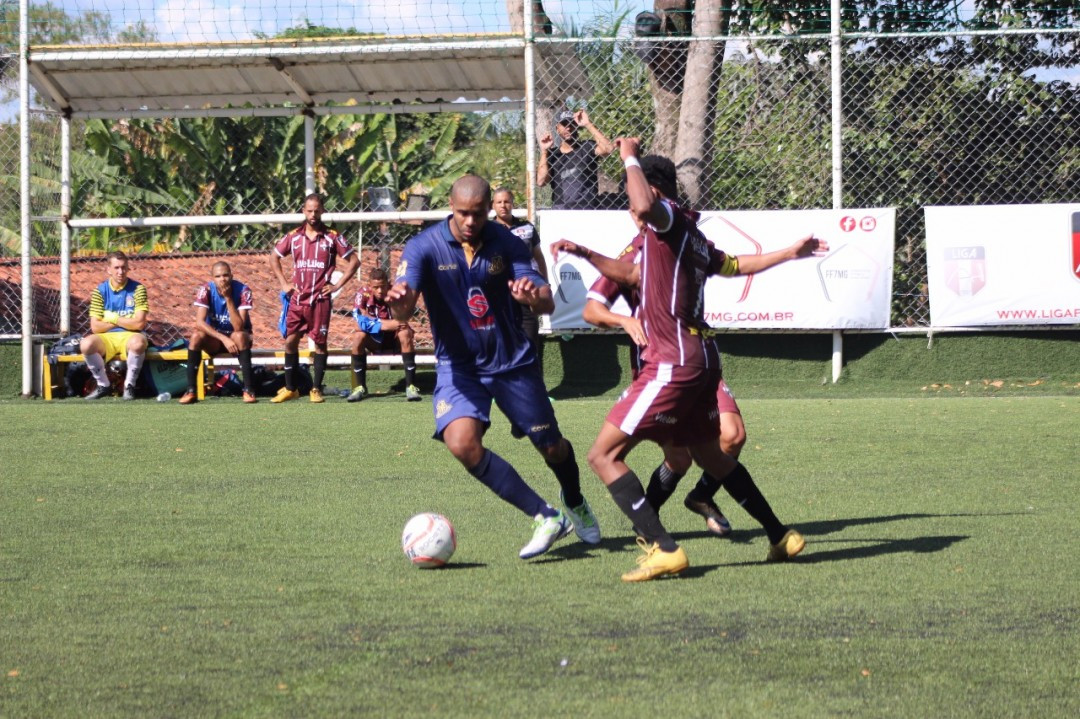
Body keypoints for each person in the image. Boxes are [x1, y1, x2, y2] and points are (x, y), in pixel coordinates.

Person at [550, 137, 828, 581]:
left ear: (656, 191)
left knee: (603, 455)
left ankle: (665, 548)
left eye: (631, 192)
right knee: (708, 455)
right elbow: (729, 265)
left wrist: (628, 156)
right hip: (702, 359)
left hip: (670, 361)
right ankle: (780, 536)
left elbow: (643, 208)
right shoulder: (690, 238)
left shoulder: (666, 221)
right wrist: (789, 254)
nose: (629, 206)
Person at [386, 174, 601, 560]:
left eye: (478, 213)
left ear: (489, 209)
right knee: (462, 444)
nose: (470, 222)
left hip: (511, 363)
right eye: (463, 213)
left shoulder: (508, 243)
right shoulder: (424, 247)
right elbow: (403, 306)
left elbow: (547, 303)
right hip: (459, 367)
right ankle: (545, 515)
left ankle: (575, 501)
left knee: (552, 447)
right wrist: (399, 302)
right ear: (451, 207)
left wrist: (532, 297)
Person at [581, 233, 740, 537]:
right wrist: (624, 321)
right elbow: (591, 310)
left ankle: (702, 496)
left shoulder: (688, 242)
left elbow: (732, 264)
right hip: (660, 368)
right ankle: (647, 524)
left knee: (733, 436)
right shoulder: (632, 256)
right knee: (678, 459)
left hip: (697, 360)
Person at [269, 193, 360, 403]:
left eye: (317, 210)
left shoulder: (332, 237)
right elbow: (274, 256)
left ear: (323, 211)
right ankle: (290, 388)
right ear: (303, 211)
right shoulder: (293, 237)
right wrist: (284, 283)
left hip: (319, 300)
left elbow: (354, 262)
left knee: (320, 344)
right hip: (297, 300)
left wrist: (336, 285)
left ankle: (316, 389)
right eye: (309, 210)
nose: (313, 214)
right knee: (290, 342)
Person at [178, 261, 257, 405]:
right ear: (213, 278)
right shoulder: (206, 290)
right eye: (218, 276)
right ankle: (191, 390)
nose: (223, 279)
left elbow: (239, 326)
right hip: (215, 340)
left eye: (226, 275)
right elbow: (199, 323)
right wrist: (222, 338)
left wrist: (228, 298)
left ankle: (248, 390)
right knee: (196, 336)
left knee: (240, 336)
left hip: (236, 339)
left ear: (231, 276)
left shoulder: (243, 290)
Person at [80, 250, 149, 400]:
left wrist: (113, 319)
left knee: (138, 343)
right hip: (106, 338)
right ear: (108, 269)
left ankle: (129, 385)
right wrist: (125, 322)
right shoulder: (99, 291)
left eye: (124, 267)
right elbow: (95, 327)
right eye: (116, 268)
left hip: (130, 336)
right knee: (86, 344)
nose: (121, 272)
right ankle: (103, 385)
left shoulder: (138, 289)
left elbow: (139, 324)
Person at [346, 267, 421, 402]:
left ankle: (410, 386)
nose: (380, 291)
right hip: (375, 341)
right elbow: (358, 324)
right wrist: (386, 324)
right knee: (358, 336)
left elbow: (403, 322)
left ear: (388, 284)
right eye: (376, 287)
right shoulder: (362, 294)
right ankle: (360, 387)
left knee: (405, 333)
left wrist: (372, 322)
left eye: (383, 286)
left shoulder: (397, 294)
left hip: (395, 338)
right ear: (370, 285)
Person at [492, 187, 546, 354]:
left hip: (526, 289)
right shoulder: (486, 230)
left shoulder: (527, 228)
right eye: (499, 202)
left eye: (507, 201)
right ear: (493, 205)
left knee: (530, 340)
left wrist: (545, 285)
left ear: (513, 204)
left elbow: (539, 257)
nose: (503, 205)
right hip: (498, 292)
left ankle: (533, 378)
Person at [536, 109, 615, 210]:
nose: (568, 128)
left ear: (577, 126)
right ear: (557, 129)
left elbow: (609, 149)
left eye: (572, 124)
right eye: (564, 124)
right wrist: (544, 151)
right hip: (561, 209)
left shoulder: (586, 147)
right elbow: (541, 181)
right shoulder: (552, 155)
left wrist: (587, 124)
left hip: (586, 208)